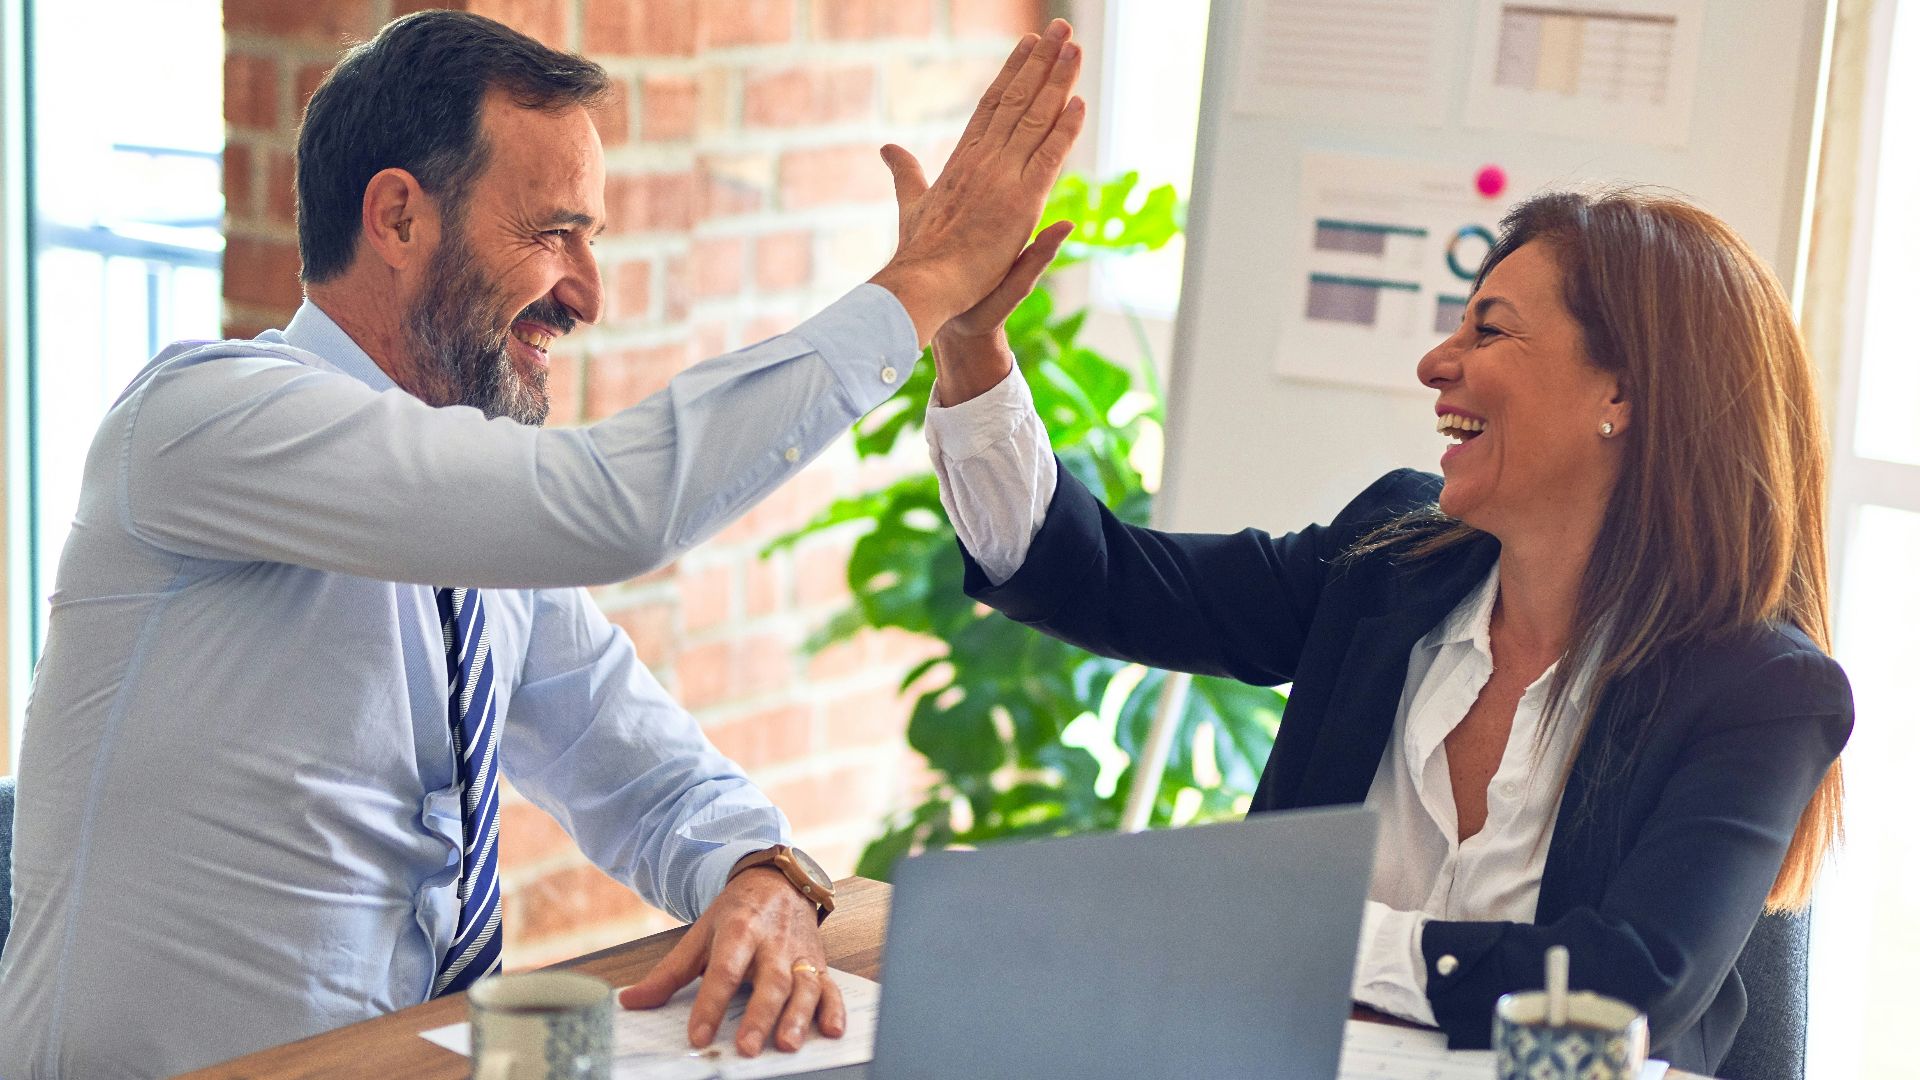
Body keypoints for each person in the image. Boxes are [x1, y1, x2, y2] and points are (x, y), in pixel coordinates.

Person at [0, 11, 1085, 1079]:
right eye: (551, 232)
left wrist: (759, 872)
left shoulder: (470, 527)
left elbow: (650, 778)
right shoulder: (206, 420)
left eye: (592, 239)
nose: (589, 294)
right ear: (397, 219)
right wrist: (923, 285)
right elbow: (615, 505)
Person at [921, 188, 1851, 1075]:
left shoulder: (1761, 691)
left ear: (1623, 394)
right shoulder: (1389, 562)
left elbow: (1625, 988)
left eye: (1488, 329)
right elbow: (1102, 579)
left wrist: (1308, 937)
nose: (1436, 363)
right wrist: (971, 346)